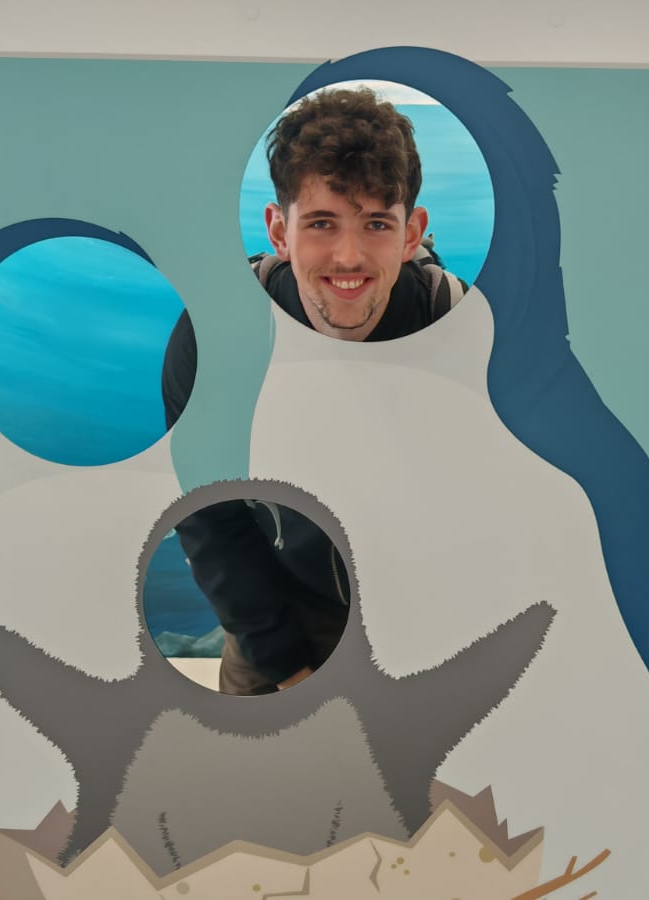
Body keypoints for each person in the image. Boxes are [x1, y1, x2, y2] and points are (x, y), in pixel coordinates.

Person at [159, 86, 466, 695]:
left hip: (423, 616)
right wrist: (289, 669)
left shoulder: (458, 329)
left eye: (376, 223)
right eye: (322, 223)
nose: (348, 256)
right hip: (276, 609)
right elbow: (210, 517)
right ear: (279, 230)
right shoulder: (220, 339)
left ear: (412, 233)